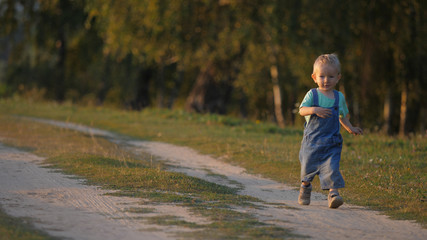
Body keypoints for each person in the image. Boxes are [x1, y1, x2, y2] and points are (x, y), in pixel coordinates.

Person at [298, 53, 363, 208]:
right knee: (307, 168)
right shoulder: (312, 94)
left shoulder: (338, 97)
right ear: (314, 77)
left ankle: (334, 194)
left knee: (332, 168)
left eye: (331, 76)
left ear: (338, 77)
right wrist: (313, 109)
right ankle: (305, 187)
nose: (326, 80)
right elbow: (301, 110)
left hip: (331, 142)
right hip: (312, 143)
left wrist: (350, 128)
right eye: (322, 76)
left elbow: (341, 116)